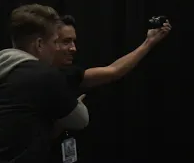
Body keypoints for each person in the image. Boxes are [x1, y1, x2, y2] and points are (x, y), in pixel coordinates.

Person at [50, 14, 172, 162]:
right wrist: (68, 116)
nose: (73, 48)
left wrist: (149, 42)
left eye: (74, 41)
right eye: (66, 42)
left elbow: (114, 71)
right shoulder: (27, 78)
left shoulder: (68, 74)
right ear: (44, 42)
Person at [0, 4, 89, 163]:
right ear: (39, 44)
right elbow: (81, 120)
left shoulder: (0, 72)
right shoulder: (43, 75)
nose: (56, 48)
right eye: (54, 41)